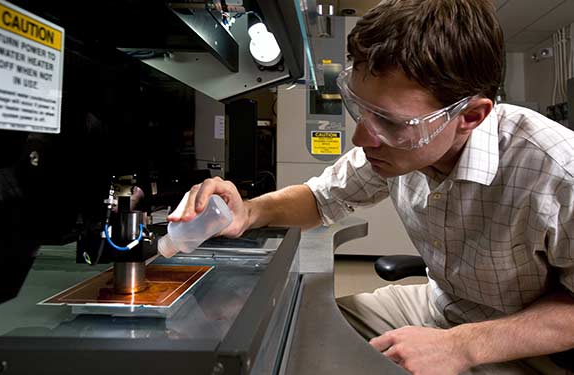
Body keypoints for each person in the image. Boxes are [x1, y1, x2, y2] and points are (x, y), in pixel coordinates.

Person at [168, 0, 574, 373]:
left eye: (392, 123)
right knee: (302, 339)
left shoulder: (558, 172)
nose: (362, 138)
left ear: (469, 116)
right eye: (361, 109)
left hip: (531, 345)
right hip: (441, 306)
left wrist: (461, 346)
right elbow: (320, 198)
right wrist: (250, 211)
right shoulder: (401, 148)